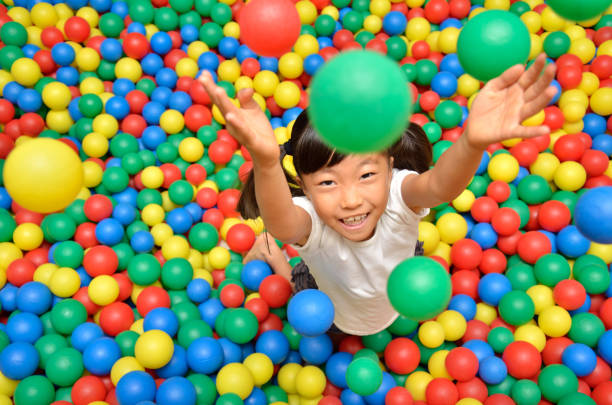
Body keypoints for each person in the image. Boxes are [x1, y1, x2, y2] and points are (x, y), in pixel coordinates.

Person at [198, 54, 557, 335]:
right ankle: (273, 255)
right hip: (335, 304)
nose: (351, 199)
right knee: (302, 293)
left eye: (367, 175)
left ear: (390, 165)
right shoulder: (314, 225)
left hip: (397, 285)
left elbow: (439, 186)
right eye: (327, 183)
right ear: (304, 187)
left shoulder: (400, 195)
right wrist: (265, 163)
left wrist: (471, 142)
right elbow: (282, 222)